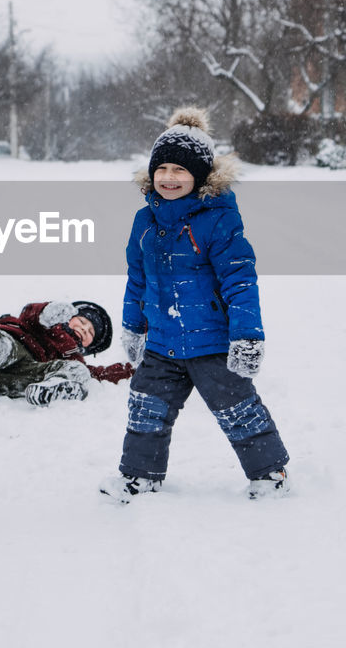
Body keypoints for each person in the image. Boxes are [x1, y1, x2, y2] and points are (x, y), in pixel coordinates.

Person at [101, 107, 290, 502]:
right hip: (162, 342)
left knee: (237, 409)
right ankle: (141, 476)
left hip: (213, 344)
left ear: (200, 176)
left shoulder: (219, 221)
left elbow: (241, 281)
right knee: (146, 407)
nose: (170, 178)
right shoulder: (144, 222)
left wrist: (247, 337)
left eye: (181, 170)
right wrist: (133, 325)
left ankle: (270, 473)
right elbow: (137, 279)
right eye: (163, 168)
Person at [0, 300, 134, 406]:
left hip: (22, 377)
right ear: (69, 317)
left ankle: (53, 388)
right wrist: (46, 312)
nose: (84, 329)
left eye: (90, 333)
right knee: (3, 348)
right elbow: (29, 314)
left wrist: (135, 370)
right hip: (15, 347)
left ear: (90, 346)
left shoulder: (75, 356)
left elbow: (101, 374)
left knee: (80, 371)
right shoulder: (50, 325)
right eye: (81, 321)